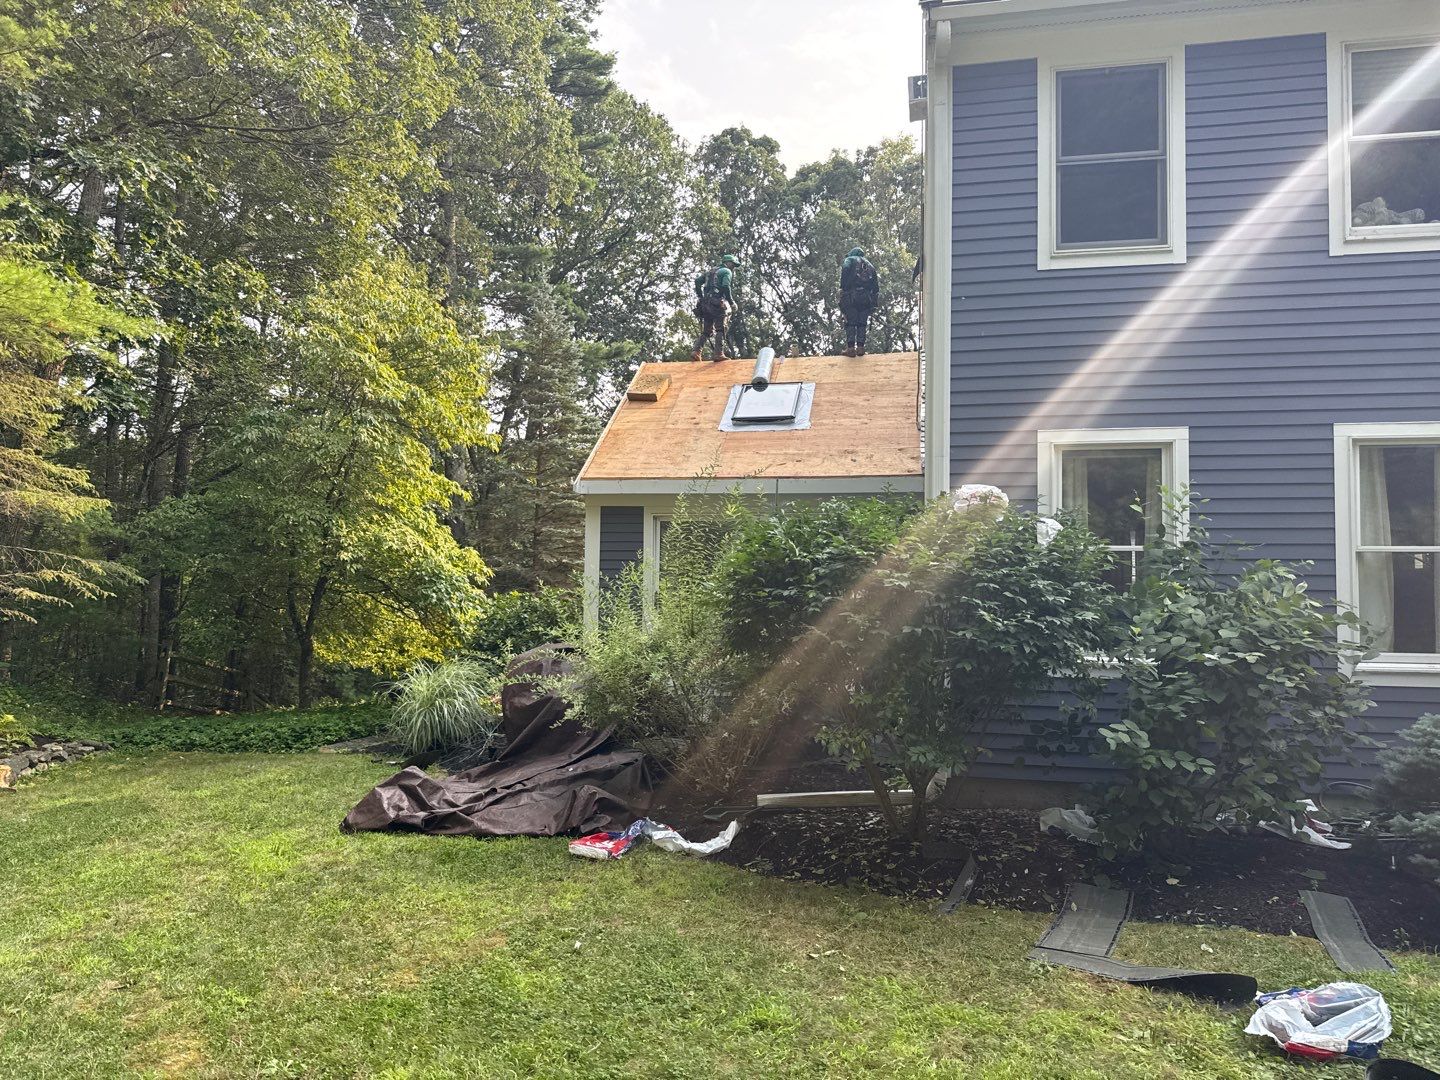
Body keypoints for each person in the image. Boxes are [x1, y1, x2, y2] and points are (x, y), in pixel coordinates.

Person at [692, 255, 738, 361]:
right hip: (717, 303)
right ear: (728, 263)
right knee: (721, 328)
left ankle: (696, 351)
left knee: (707, 330)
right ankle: (718, 353)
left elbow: (697, 281)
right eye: (733, 265)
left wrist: (700, 297)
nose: (734, 267)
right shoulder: (726, 271)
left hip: (705, 304)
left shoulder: (711, 271)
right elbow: (726, 286)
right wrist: (731, 302)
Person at [839, 246, 879, 357]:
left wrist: (843, 287)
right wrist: (874, 303)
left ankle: (851, 349)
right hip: (866, 298)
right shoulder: (870, 265)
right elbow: (876, 287)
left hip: (851, 296)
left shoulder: (850, 259)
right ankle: (860, 348)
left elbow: (845, 269)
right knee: (862, 323)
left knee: (850, 321)